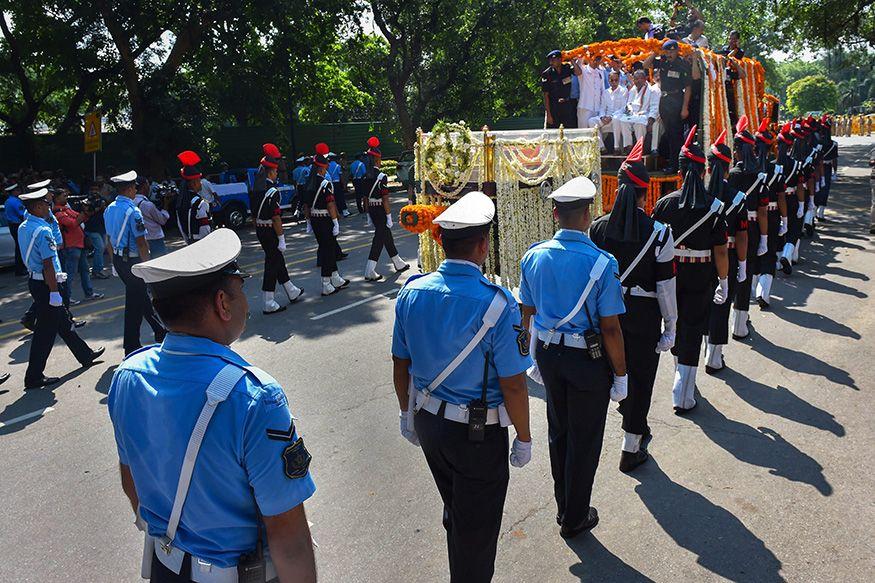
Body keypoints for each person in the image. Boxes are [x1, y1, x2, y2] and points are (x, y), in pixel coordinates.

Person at [107, 229, 317, 583]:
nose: (246, 303)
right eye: (240, 291)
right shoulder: (254, 396)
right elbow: (288, 536)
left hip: (166, 567)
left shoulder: (128, 376)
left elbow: (132, 481)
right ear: (222, 303)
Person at [392, 191, 532, 582]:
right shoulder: (498, 303)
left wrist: (406, 413)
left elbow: (400, 363)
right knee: (478, 532)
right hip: (476, 434)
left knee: (457, 508)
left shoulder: (412, 291)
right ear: (483, 245)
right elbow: (515, 386)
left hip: (429, 422)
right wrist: (523, 436)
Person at [520, 176, 627, 538]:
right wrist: (622, 374)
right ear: (588, 215)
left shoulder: (533, 256)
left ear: (554, 214)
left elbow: (527, 314)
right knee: (586, 438)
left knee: (559, 431)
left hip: (549, 355)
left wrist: (531, 356)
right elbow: (610, 328)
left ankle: (564, 504)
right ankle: (575, 516)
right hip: (587, 360)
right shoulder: (601, 262)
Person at [590, 140, 677, 473]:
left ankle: (628, 419)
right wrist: (670, 326)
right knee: (641, 377)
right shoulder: (658, 234)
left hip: (606, 313)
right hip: (643, 316)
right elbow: (666, 287)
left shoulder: (597, 227)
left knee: (615, 369)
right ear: (645, 194)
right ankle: (631, 444)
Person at [652, 126, 729, 413]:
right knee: (693, 328)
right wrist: (724, 280)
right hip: (701, 275)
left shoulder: (663, 204)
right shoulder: (714, 206)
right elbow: (720, 249)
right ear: (702, 171)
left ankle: (680, 378)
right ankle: (683, 392)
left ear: (681, 173)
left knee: (674, 325)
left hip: (669, 275)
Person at [17, 188, 104, 389]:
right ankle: (34, 376)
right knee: (45, 333)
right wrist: (55, 292)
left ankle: (85, 354)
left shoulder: (24, 226)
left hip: (37, 281)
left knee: (63, 322)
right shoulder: (43, 230)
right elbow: (48, 264)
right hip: (47, 284)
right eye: (46, 204)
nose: (49, 207)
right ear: (37, 207)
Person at [104, 171, 167, 356]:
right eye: (134, 188)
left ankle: (160, 331)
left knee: (139, 298)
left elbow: (108, 238)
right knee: (135, 302)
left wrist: (113, 264)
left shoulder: (110, 208)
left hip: (118, 258)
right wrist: (146, 266)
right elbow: (141, 242)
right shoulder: (133, 211)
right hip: (132, 259)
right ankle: (131, 345)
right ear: (130, 188)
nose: (135, 191)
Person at [704, 130, 748, 373]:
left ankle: (703, 350)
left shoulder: (699, 194)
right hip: (728, 256)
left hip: (702, 258)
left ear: (710, 168)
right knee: (722, 304)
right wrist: (742, 264)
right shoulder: (737, 198)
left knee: (704, 302)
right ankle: (714, 355)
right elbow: (742, 234)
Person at [251, 143, 304, 314]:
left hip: (260, 229)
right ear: (271, 172)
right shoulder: (272, 191)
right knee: (272, 264)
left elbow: (253, 215)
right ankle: (268, 301)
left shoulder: (255, 189)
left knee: (277, 260)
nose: (276, 174)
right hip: (270, 231)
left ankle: (291, 290)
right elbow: (275, 217)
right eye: (275, 171)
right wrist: (281, 238)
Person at [644, 40, 697, 174]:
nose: (670, 54)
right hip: (664, 99)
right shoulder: (662, 61)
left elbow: (688, 87)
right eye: (667, 51)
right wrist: (655, 52)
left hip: (677, 99)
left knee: (676, 135)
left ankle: (677, 165)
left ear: (677, 51)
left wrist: (685, 107)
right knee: (668, 133)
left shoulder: (682, 64)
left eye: (672, 51)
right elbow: (646, 64)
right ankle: (672, 163)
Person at [362, 136, 410, 281]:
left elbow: (365, 198)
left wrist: (368, 214)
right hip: (381, 211)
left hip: (372, 209)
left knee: (386, 236)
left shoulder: (365, 176)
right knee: (379, 239)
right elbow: (385, 199)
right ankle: (369, 269)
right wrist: (388, 216)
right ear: (377, 160)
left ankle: (397, 262)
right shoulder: (381, 176)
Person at [303, 151, 350, 296]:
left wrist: (308, 221)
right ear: (322, 168)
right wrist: (335, 221)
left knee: (326, 248)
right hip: (324, 219)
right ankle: (325, 283)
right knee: (327, 251)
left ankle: (335, 278)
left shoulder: (308, 183)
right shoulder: (325, 183)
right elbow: (330, 204)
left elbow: (306, 205)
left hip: (315, 220)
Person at [752, 118, 782, 309]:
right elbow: (781, 197)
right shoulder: (776, 169)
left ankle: (752, 291)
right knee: (769, 252)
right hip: (771, 215)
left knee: (753, 253)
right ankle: (763, 291)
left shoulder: (747, 169)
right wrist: (785, 219)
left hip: (752, 216)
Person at [53, 188, 104, 301]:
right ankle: (67, 298)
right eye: (64, 196)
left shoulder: (66, 209)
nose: (66, 197)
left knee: (85, 270)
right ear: (56, 198)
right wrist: (84, 212)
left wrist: (89, 209)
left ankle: (89, 293)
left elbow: (83, 218)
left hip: (79, 245)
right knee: (70, 274)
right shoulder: (58, 213)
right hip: (70, 246)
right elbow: (74, 223)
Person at [615, 70, 661, 154]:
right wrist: (629, 111)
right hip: (633, 115)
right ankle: (628, 146)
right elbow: (629, 103)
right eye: (636, 79)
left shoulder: (652, 90)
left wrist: (651, 121)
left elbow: (654, 107)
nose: (638, 81)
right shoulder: (633, 89)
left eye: (640, 78)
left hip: (645, 115)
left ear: (645, 79)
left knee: (639, 124)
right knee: (623, 120)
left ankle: (640, 148)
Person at [176, 150, 213, 244]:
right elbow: (205, 230)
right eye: (199, 180)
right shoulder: (201, 204)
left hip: (190, 243)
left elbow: (182, 228)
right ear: (194, 183)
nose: (201, 183)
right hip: (202, 245)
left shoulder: (180, 202)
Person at [589, 72, 628, 153]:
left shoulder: (624, 91)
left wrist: (611, 116)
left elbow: (623, 108)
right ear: (609, 81)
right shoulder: (606, 92)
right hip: (606, 118)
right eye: (611, 80)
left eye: (616, 80)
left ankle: (616, 147)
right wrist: (602, 117)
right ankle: (601, 147)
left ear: (619, 80)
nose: (614, 82)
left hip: (617, 118)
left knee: (616, 119)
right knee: (591, 121)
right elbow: (602, 107)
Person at [134, 176, 172, 257]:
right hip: (155, 239)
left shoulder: (130, 203)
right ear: (144, 186)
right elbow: (162, 220)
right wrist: (166, 205)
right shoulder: (147, 205)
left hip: (139, 239)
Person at [541, 50, 577, 129]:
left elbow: (579, 73)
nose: (551, 63)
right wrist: (549, 115)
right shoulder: (547, 74)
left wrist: (572, 60)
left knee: (570, 131)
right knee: (553, 133)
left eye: (553, 60)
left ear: (560, 59)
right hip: (554, 108)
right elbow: (546, 96)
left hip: (568, 106)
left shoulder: (567, 68)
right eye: (550, 60)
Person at [83, 183, 109, 279]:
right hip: (92, 228)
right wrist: (98, 208)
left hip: (101, 228)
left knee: (102, 248)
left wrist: (103, 206)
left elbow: (107, 209)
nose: (95, 192)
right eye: (93, 189)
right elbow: (87, 213)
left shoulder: (102, 199)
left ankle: (98, 269)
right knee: (100, 248)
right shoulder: (87, 201)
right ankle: (97, 270)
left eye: (96, 189)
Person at [815, 115, 838, 221]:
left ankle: (814, 212)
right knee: (825, 189)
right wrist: (835, 172)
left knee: (816, 189)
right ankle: (820, 213)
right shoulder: (833, 144)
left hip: (816, 168)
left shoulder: (817, 143)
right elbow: (834, 160)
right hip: (827, 168)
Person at [573, 56, 604, 130]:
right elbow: (577, 67)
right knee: (583, 133)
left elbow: (602, 91)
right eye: (594, 59)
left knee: (596, 133)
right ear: (589, 59)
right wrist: (583, 53)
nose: (596, 61)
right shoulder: (583, 70)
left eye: (598, 59)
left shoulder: (600, 72)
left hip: (597, 108)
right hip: (585, 107)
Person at [4, 181, 28, 276]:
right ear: (13, 192)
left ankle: (20, 268)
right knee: (20, 247)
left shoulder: (8, 201)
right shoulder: (14, 201)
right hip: (17, 225)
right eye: (17, 190)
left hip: (13, 225)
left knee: (19, 247)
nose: (19, 191)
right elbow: (22, 215)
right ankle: (20, 269)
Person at [327, 152, 350, 217]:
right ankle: (345, 211)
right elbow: (340, 176)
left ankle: (338, 211)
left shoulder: (327, 166)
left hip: (330, 183)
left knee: (334, 198)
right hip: (337, 183)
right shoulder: (337, 166)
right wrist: (342, 183)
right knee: (340, 197)